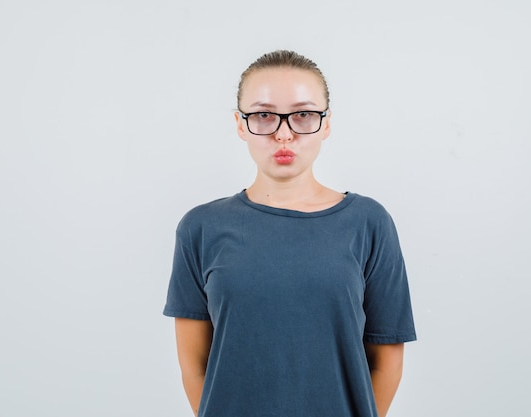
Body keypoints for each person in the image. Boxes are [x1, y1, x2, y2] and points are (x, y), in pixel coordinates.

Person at [163, 50, 416, 417]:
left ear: (326, 124)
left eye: (303, 115)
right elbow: (195, 366)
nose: (284, 133)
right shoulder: (200, 228)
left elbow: (387, 359)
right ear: (240, 123)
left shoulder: (368, 222)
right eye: (263, 115)